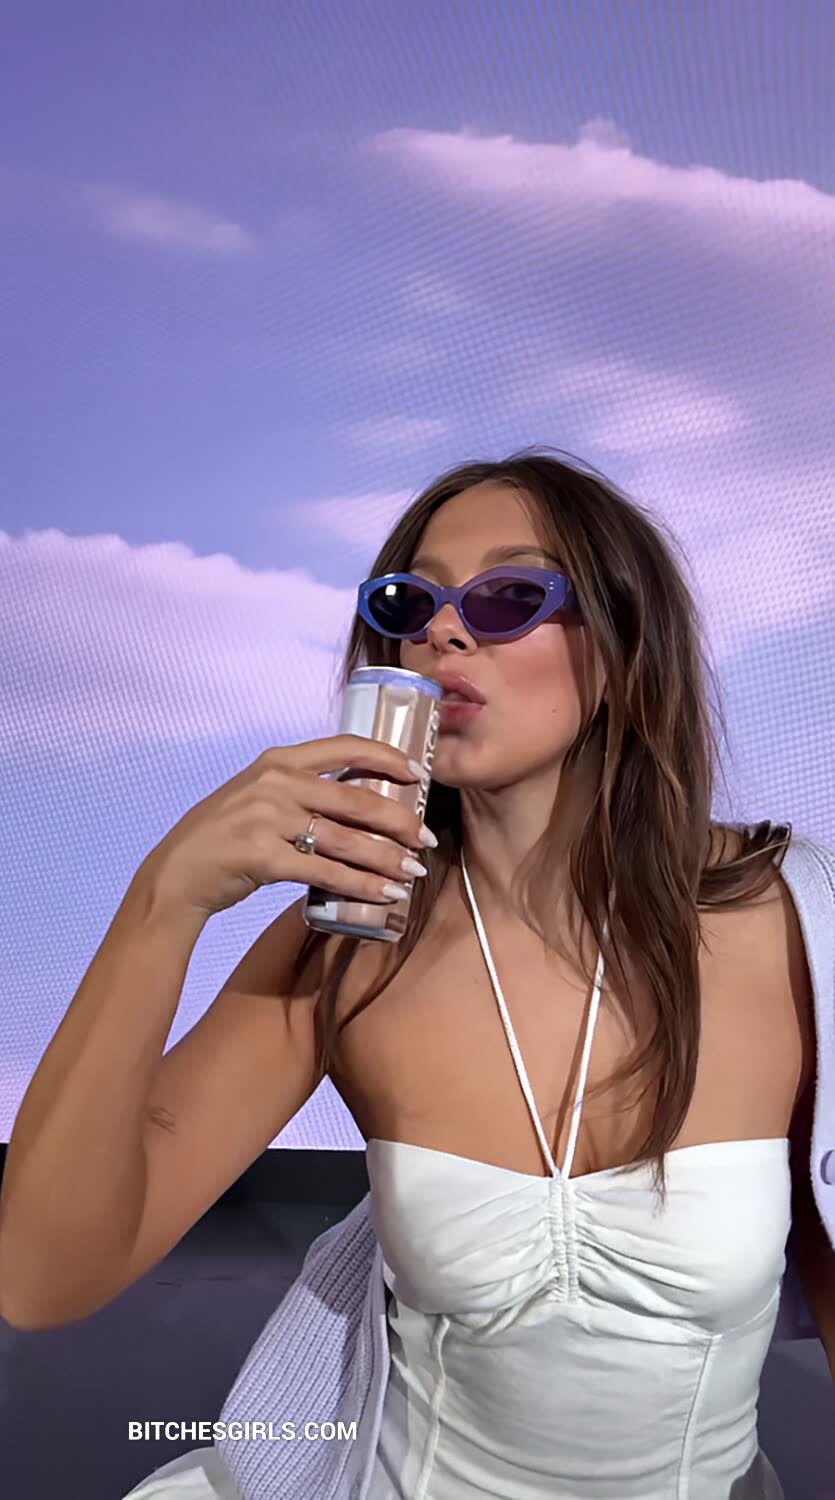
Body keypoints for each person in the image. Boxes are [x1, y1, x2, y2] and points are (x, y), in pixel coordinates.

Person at [1, 448, 833, 1500]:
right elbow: (42, 1278)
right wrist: (162, 901)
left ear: (625, 646)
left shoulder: (796, 919)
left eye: (508, 597)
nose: (442, 630)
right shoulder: (349, 943)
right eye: (410, 602)